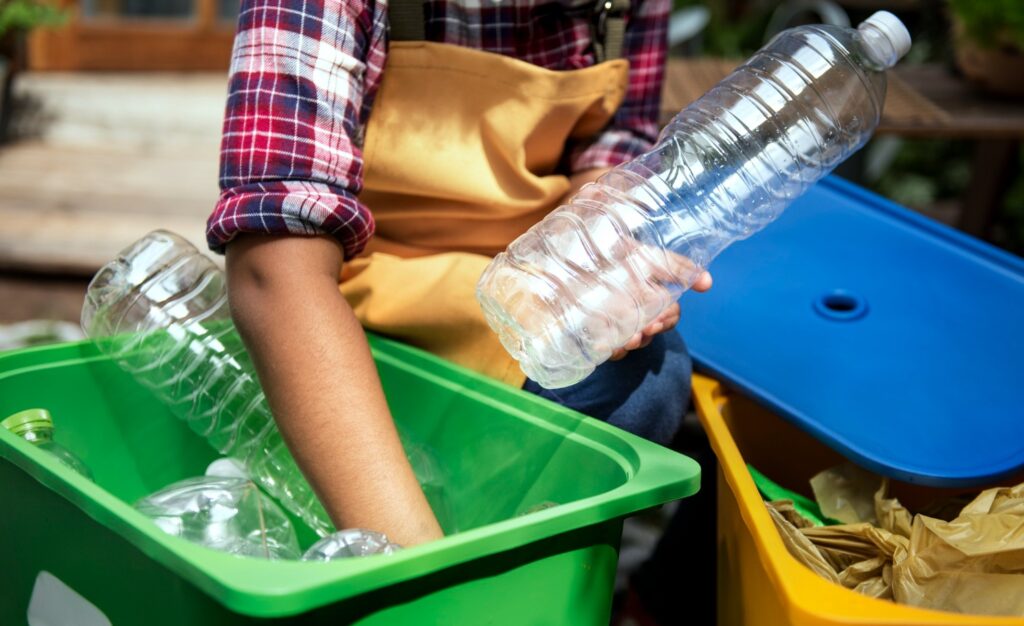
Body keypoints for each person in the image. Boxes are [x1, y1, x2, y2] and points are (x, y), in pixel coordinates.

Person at [208, 0, 710, 547]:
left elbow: (611, 146)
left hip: (518, 283)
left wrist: (597, 257)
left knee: (647, 378)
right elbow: (273, 269)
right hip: (352, 294)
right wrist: (416, 566)